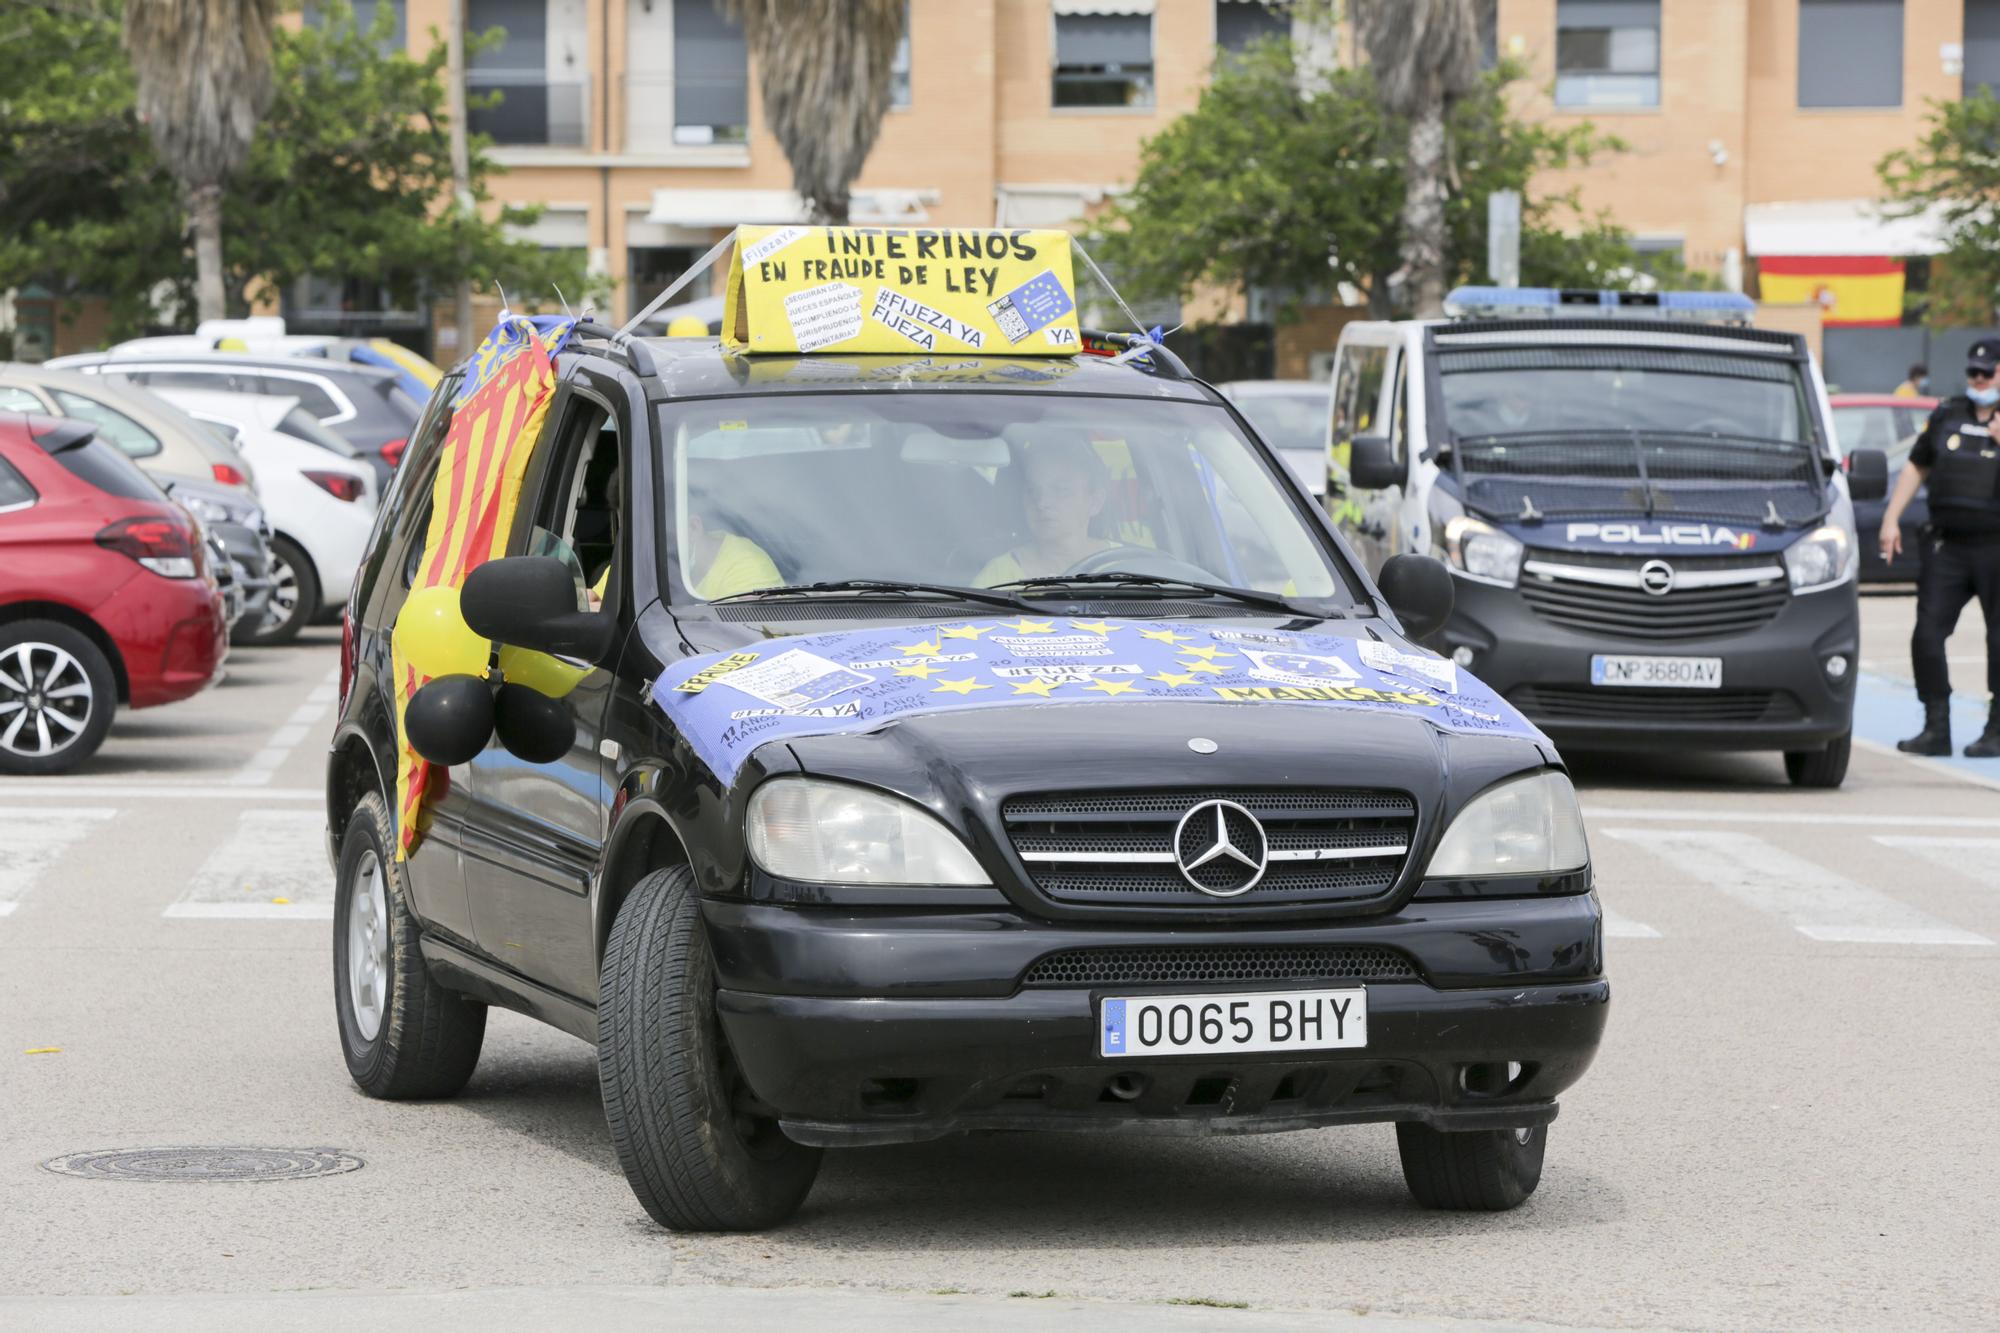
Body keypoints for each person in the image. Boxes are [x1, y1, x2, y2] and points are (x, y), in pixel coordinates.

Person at [1881, 341, 2000, 757]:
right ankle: (1936, 726)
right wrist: (1891, 517)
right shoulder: (1948, 414)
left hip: (1995, 547)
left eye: (1987, 373)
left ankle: (1997, 728)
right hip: (1948, 545)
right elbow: (1917, 463)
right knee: (1927, 635)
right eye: (1974, 373)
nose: (1979, 381)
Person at [976, 437, 1117, 586]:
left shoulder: (1129, 566)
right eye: (1032, 491)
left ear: (1095, 502)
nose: (1042, 503)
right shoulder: (997, 577)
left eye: (1061, 490)